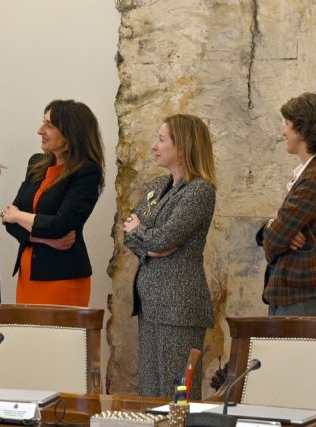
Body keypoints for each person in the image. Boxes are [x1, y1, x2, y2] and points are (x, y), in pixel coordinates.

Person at [123, 114, 216, 400]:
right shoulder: (156, 187)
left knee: (178, 395)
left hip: (179, 306)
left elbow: (166, 238)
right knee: (150, 393)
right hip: (151, 304)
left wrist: (147, 235)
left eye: (162, 140)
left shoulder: (199, 190)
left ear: (183, 146)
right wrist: (148, 240)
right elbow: (128, 231)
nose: (154, 145)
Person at [1, 100, 105, 307]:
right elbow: (8, 222)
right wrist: (44, 240)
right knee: (30, 338)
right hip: (27, 274)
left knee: (58, 339)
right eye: (43, 123)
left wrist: (18, 216)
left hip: (63, 279)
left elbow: (60, 226)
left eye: (49, 125)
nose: (40, 131)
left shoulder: (87, 172)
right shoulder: (36, 163)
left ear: (71, 133)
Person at [256, 92, 316, 317]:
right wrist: (273, 225)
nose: (283, 131)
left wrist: (276, 230)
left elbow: (274, 240)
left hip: (304, 294)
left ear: (305, 129)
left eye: (288, 124)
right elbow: (276, 232)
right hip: (299, 293)